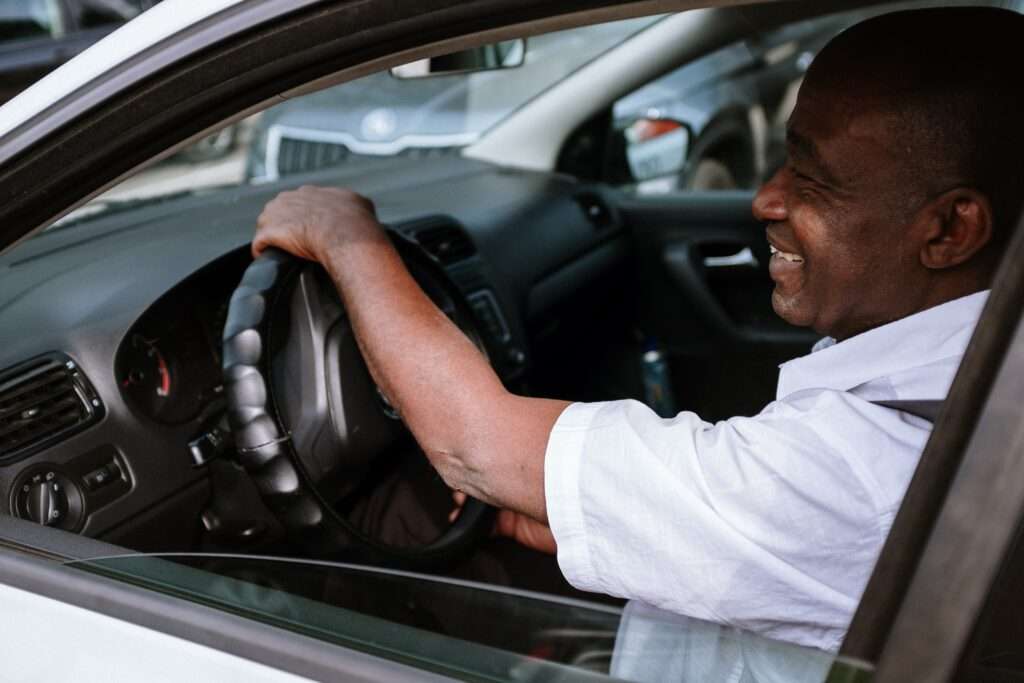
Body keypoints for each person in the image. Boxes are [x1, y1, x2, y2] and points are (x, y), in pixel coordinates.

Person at [251, 7, 1024, 654]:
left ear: (951, 230)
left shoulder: (866, 468)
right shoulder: (969, 394)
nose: (764, 200)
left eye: (812, 177)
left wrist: (344, 236)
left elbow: (471, 445)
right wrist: (610, 520)